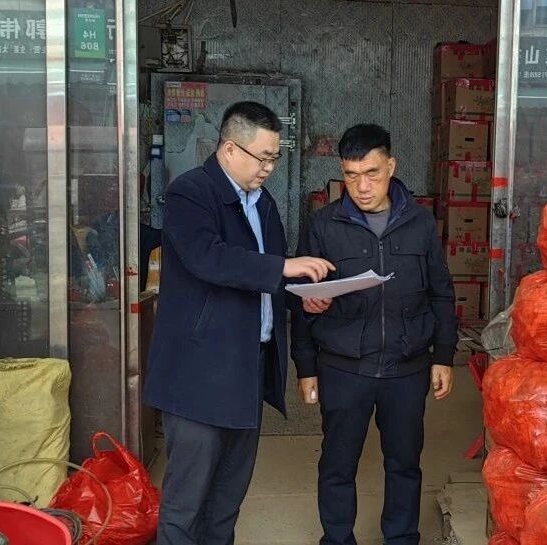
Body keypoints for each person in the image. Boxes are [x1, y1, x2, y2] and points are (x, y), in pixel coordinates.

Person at [144, 101, 335, 545]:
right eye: (262, 158)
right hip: (197, 375)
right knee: (185, 505)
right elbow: (209, 258)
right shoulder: (191, 193)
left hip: (247, 370)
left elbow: (268, 277)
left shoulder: (262, 203)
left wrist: (301, 299)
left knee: (226, 500)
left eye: (274, 158)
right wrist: (283, 267)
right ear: (230, 149)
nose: (269, 168)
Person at [291, 123, 459, 545]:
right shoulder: (323, 225)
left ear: (391, 166)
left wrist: (443, 355)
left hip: (407, 367)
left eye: (372, 173)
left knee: (404, 464)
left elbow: (441, 292)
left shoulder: (421, 223)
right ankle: (337, 539)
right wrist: (306, 367)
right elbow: (301, 300)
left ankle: (401, 538)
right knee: (337, 464)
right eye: (351, 176)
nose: (362, 187)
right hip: (344, 367)